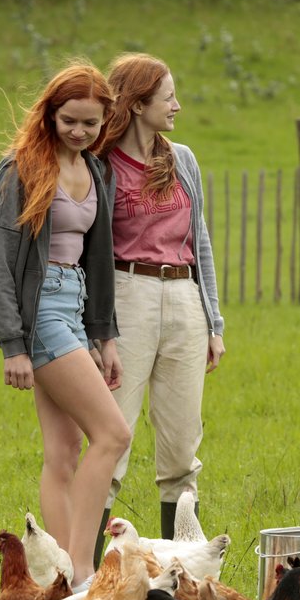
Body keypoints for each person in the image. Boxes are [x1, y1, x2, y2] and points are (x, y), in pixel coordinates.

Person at [0, 62, 131, 591]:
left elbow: (98, 260)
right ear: (49, 113)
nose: (79, 132)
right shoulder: (21, 169)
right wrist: (13, 345)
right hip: (40, 311)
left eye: (91, 123)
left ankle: (61, 580)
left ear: (104, 121)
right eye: (70, 120)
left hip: (74, 305)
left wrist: (104, 337)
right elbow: (0, 261)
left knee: (64, 453)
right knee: (113, 434)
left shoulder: (97, 171)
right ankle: (85, 570)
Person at [92, 52, 225, 562]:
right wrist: (99, 329)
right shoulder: (102, 167)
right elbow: (92, 253)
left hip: (185, 298)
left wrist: (213, 322)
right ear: (137, 104)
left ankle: (182, 566)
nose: (177, 105)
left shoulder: (183, 160)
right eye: (168, 96)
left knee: (181, 449)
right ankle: (87, 569)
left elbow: (200, 241)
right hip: (129, 297)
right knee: (113, 439)